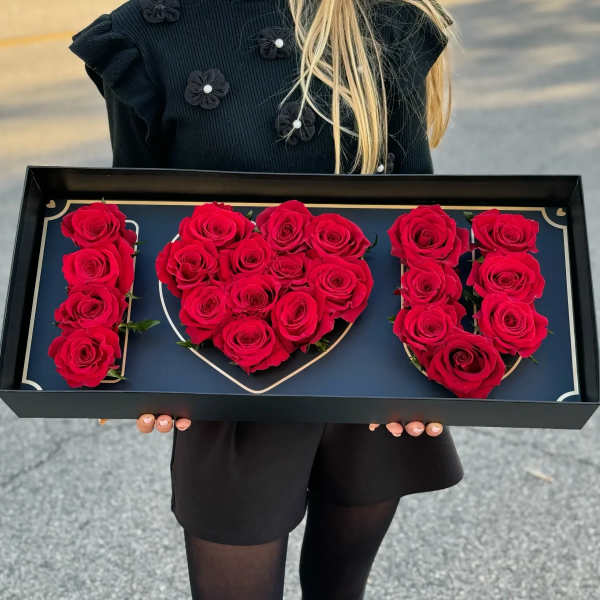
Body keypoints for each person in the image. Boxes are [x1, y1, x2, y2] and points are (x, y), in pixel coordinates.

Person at [69, 0, 462, 598]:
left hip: (369, 375)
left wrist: (420, 377)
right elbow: (142, 217)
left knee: (339, 588)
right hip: (229, 376)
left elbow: (415, 213)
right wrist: (149, 376)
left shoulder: (382, 20)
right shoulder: (143, 34)